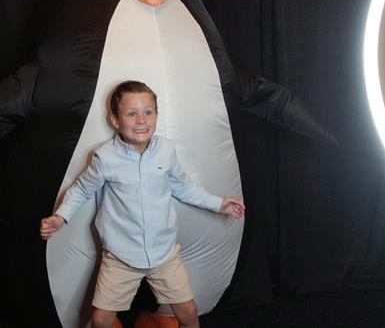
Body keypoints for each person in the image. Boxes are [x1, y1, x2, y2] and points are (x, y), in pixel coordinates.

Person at [40, 80, 245, 328]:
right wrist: (60, 217)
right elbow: (82, 189)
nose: (141, 120)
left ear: (157, 115)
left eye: (148, 112)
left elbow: (184, 186)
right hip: (120, 256)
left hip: (164, 253)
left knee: (189, 313)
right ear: (115, 120)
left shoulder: (166, 150)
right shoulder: (105, 157)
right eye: (131, 113)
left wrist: (219, 204)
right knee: (100, 320)